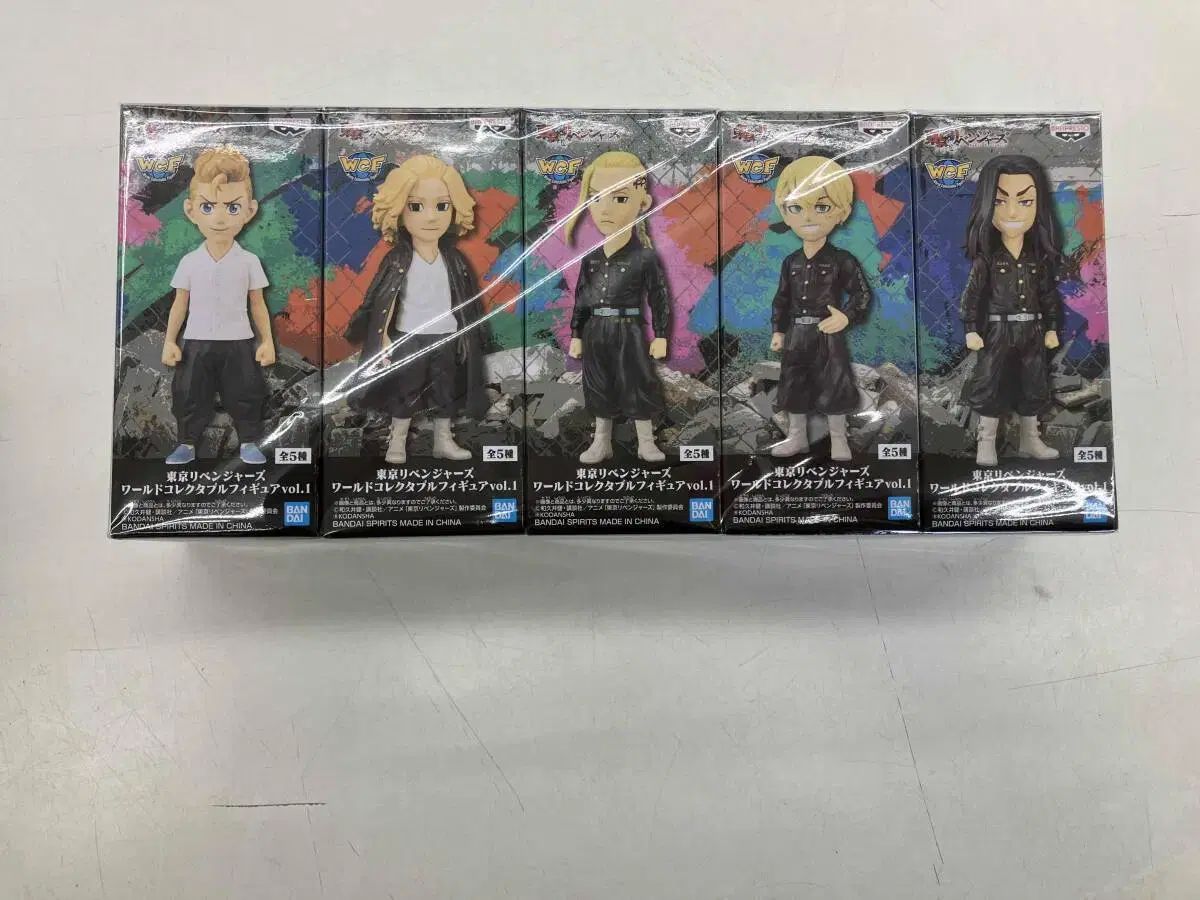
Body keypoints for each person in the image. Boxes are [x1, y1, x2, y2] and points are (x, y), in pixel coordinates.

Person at [343, 154, 489, 465]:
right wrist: (376, 334)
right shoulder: (398, 259)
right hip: (409, 335)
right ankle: (397, 441)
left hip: (447, 334)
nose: (431, 217)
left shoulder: (455, 260)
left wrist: (475, 335)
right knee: (406, 389)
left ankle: (443, 440)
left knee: (446, 390)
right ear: (398, 210)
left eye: (442, 206)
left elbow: (470, 301)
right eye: (416, 206)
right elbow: (378, 298)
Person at [162, 146, 274, 466]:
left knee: (246, 391)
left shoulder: (249, 261)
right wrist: (170, 341)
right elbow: (179, 303)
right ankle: (186, 442)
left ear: (249, 210)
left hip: (238, 340)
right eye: (208, 207)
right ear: (191, 210)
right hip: (196, 340)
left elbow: (258, 304)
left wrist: (266, 341)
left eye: (232, 207)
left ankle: (249, 441)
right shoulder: (190, 262)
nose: (220, 218)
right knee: (189, 392)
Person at [565, 151, 670, 464]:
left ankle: (646, 442)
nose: (605, 209)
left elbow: (659, 296)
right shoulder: (591, 258)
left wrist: (661, 335)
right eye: (596, 198)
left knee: (637, 380)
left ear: (643, 203)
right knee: (598, 382)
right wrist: (577, 334)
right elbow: (582, 297)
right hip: (596, 329)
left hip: (629, 330)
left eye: (620, 199)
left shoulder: (645, 257)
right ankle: (601, 441)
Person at [959, 154, 1062, 466]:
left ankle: (1030, 438)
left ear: (1038, 206)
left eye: (1025, 201)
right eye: (1000, 202)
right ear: (987, 206)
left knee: (1034, 382)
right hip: (998, 330)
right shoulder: (987, 259)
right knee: (990, 381)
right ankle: (986, 441)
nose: (1013, 212)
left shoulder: (1037, 259)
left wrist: (1052, 327)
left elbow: (1048, 295)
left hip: (1032, 329)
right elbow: (972, 296)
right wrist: (971, 329)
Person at [768, 156, 872, 462]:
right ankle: (796, 437)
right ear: (785, 213)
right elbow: (781, 298)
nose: (809, 217)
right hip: (796, 334)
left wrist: (846, 317)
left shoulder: (842, 259)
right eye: (796, 208)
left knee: (834, 384)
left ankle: (839, 439)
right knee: (793, 384)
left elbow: (862, 294)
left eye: (822, 207)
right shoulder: (791, 262)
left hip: (827, 334)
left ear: (842, 212)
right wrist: (778, 330)